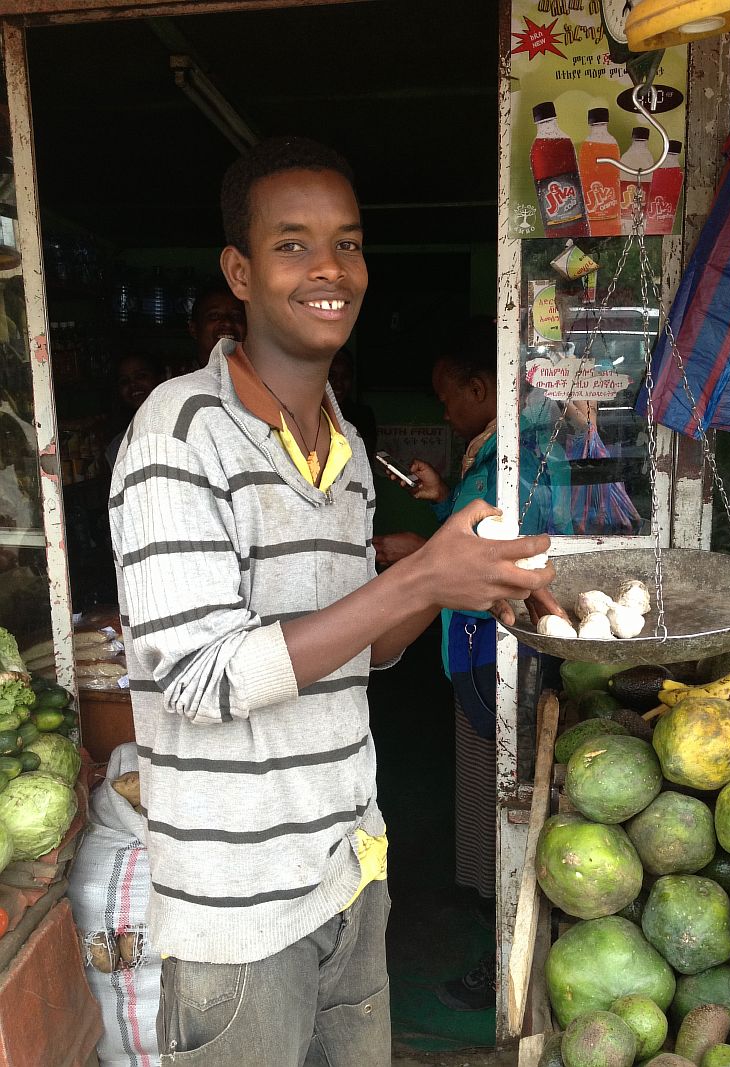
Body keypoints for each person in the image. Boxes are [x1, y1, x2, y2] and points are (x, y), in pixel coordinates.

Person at [108, 136, 559, 1067]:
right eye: (292, 244)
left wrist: (461, 585)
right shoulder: (176, 432)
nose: (329, 269)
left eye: (347, 244)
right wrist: (418, 577)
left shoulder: (346, 447)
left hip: (351, 874)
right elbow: (203, 677)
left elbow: (359, 650)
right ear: (238, 270)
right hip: (240, 908)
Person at [373, 316, 572, 1011]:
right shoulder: (483, 456)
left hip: (500, 650)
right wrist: (436, 511)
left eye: (446, 394)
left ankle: (504, 964)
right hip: (475, 651)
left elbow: (502, 560)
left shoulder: (513, 463)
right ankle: (494, 926)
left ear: (481, 386)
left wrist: (414, 558)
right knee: (489, 792)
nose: (443, 409)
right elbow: (472, 544)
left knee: (510, 797)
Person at [104, 353, 162, 471]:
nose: (133, 384)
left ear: (160, 378)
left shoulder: (181, 425)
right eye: (124, 381)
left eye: (141, 376)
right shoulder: (118, 446)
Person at [328, 346, 378, 461]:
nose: (338, 384)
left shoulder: (363, 416)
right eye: (332, 376)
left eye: (345, 376)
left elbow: (364, 457)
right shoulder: (310, 415)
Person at [188, 280, 246, 367]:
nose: (227, 323)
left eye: (236, 316)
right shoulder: (172, 377)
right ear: (193, 329)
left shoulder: (264, 377)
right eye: (214, 316)